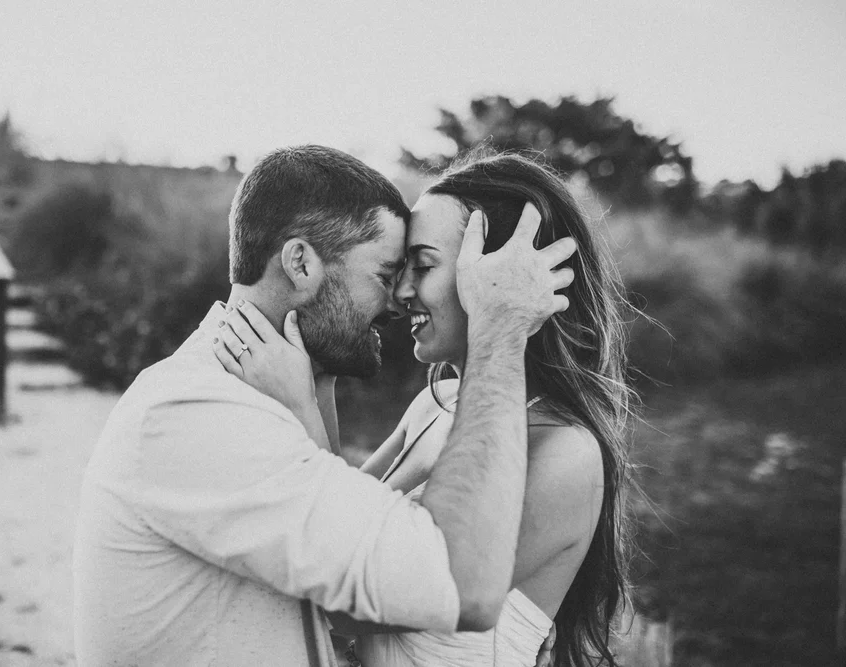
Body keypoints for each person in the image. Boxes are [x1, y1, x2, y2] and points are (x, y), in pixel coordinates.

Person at [72, 145, 578, 666]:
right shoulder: (202, 415)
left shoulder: (233, 397)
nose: (397, 298)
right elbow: (454, 583)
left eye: (419, 267)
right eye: (385, 274)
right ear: (300, 263)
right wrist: (500, 326)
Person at [214, 148, 634, 666]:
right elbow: (337, 527)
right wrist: (319, 372)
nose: (401, 292)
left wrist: (301, 406)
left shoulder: (566, 454)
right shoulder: (433, 408)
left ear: (499, 277)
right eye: (399, 269)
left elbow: (343, 605)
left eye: (425, 266)